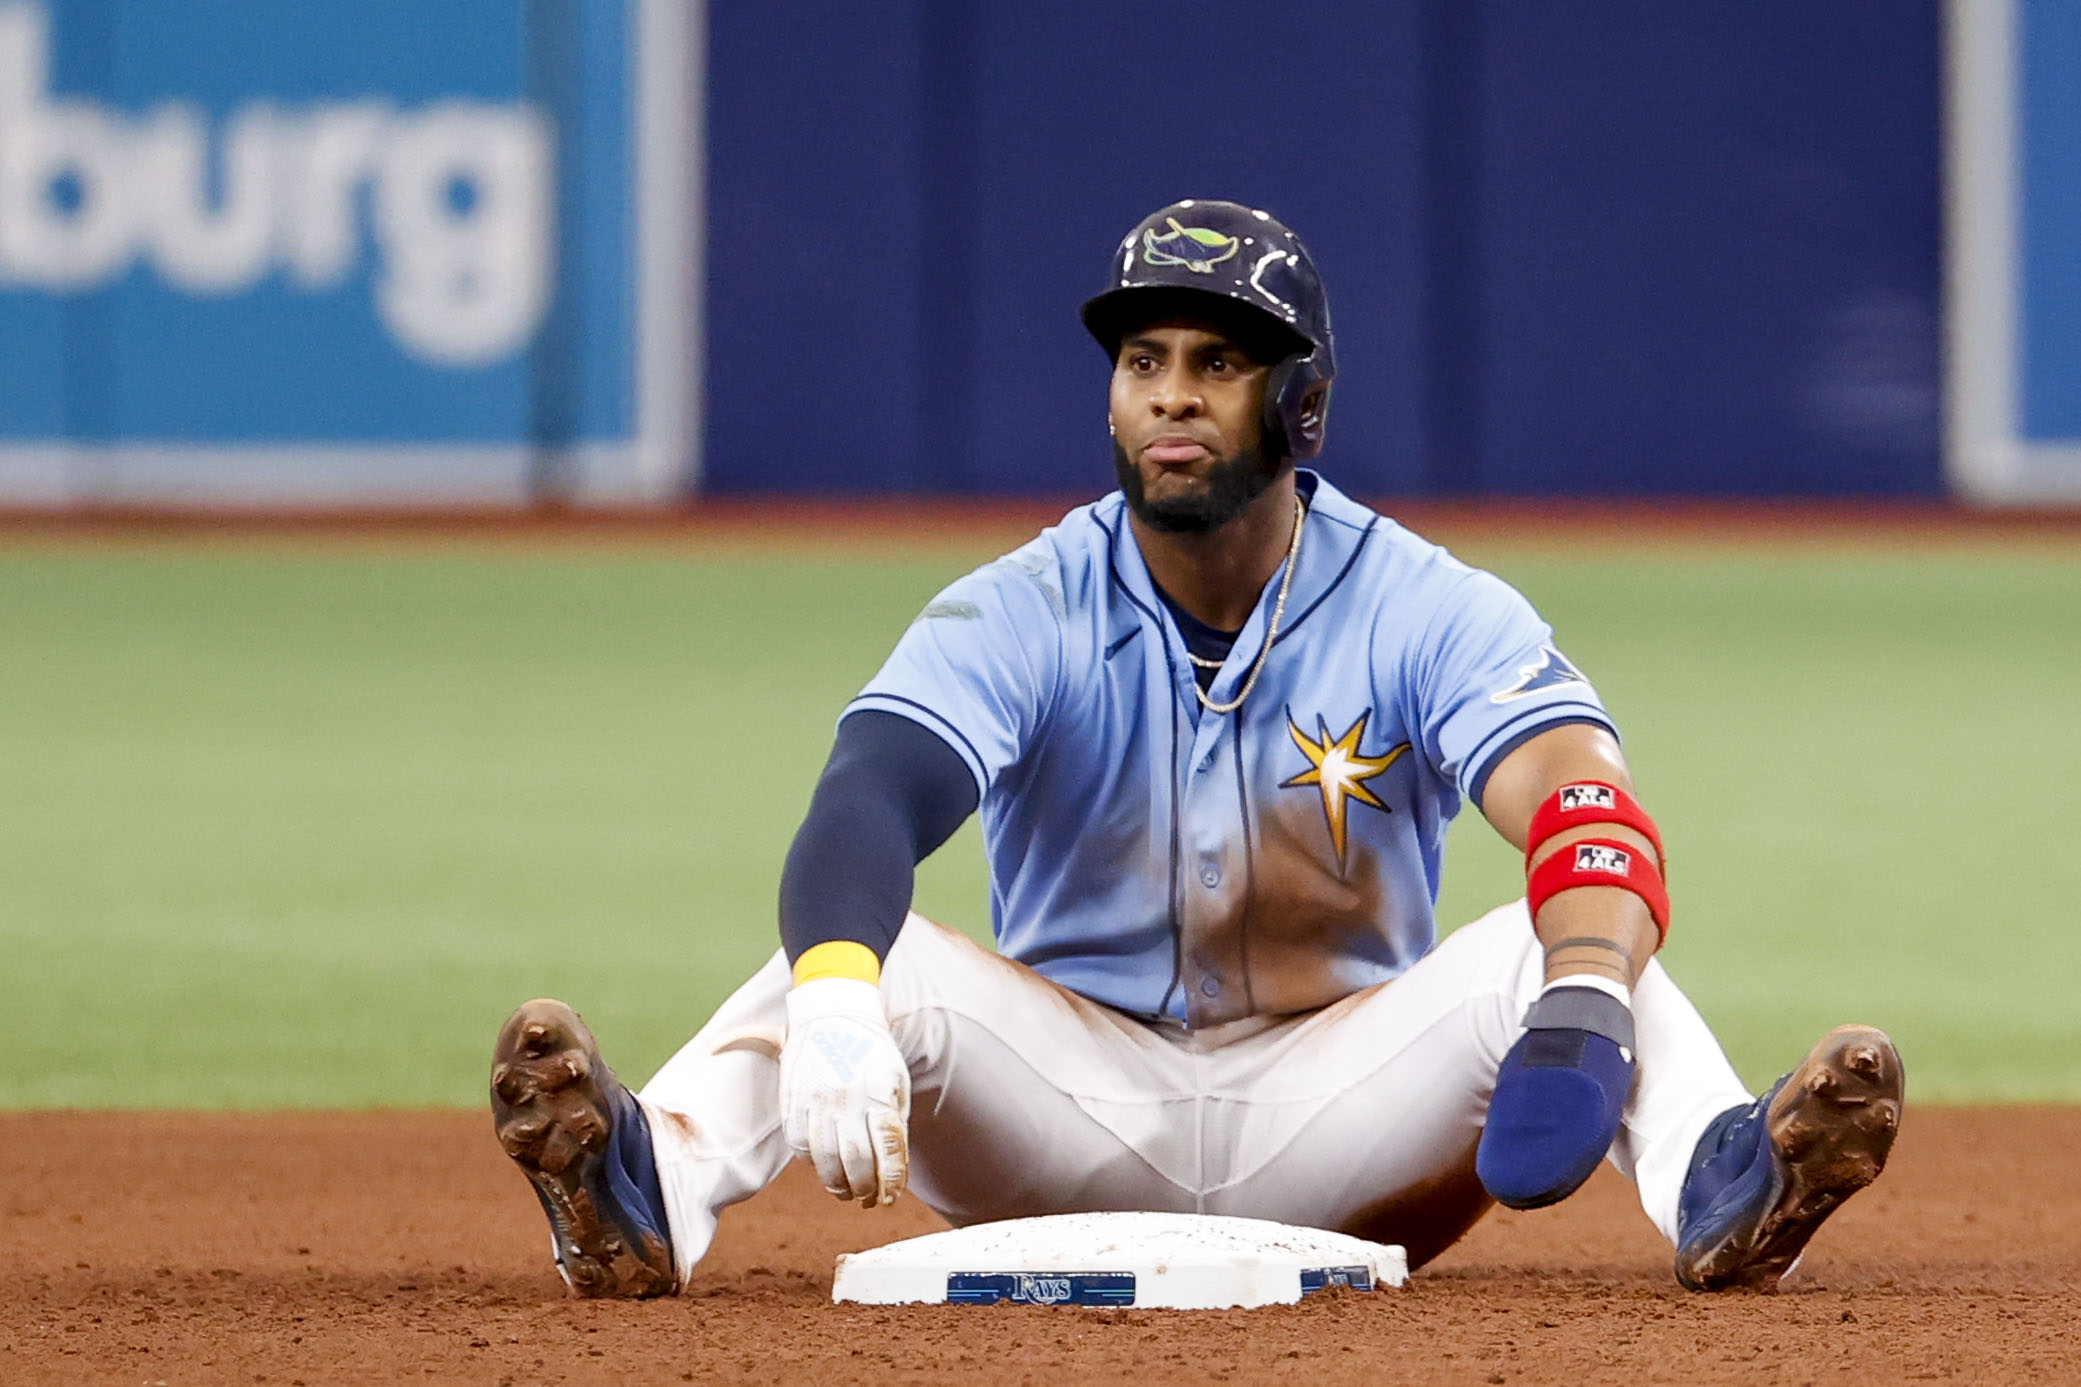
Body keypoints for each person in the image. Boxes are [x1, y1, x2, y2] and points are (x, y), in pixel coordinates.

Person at [489, 199, 1902, 1299]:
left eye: (1215, 362)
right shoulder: (1026, 600)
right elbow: (868, 798)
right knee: (867, 956)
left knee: (1558, 944)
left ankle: (1726, 1183)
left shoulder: (1420, 602)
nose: (1167, 393)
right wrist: (844, 996)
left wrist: (1585, 996)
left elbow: (1580, 797)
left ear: (1300, 407)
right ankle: (638, 1194)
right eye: (1142, 361)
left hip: (1340, 1116)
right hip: (1058, 1116)